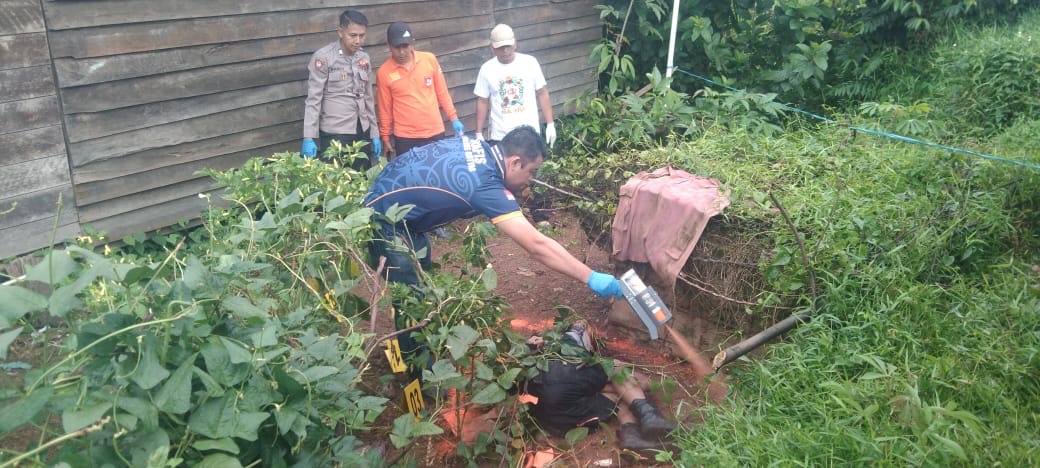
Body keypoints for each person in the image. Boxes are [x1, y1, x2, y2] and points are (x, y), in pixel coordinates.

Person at [363, 126, 625, 386]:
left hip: (401, 207)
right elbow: (536, 245)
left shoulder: (481, 146)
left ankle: (417, 346)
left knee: (419, 284)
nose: (530, 180)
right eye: (531, 172)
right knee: (411, 295)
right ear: (515, 162)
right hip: (386, 220)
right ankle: (420, 379)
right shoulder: (485, 182)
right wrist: (590, 276)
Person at [522, 320, 677, 453]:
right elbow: (642, 383)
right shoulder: (579, 363)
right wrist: (618, 371)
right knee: (618, 372)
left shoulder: (536, 359)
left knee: (613, 391)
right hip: (570, 412)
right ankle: (649, 417)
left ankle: (632, 436)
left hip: (546, 420)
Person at [473, 24, 557, 226]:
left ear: (515, 43)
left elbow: (542, 92)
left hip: (528, 134)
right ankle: (504, 216)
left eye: (509, 46)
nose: (505, 51)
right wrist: (478, 132)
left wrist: (550, 123)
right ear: (492, 47)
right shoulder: (487, 69)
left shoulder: (529, 63)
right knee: (502, 177)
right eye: (501, 47)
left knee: (533, 173)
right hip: (501, 134)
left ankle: (539, 215)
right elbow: (482, 101)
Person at [301, 9, 380, 170]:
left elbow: (368, 97)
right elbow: (314, 99)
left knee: (362, 181)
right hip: (335, 133)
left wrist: (374, 133)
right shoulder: (323, 58)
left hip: (361, 130)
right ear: (340, 32)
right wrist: (308, 136)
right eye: (353, 35)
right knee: (337, 184)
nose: (358, 40)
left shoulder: (363, 58)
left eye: (362, 35)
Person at [376, 21, 465, 159]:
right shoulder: (384, 72)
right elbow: (385, 108)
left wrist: (454, 118)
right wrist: (385, 135)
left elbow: (442, 92)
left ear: (413, 43)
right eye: (396, 47)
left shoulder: (429, 59)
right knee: (411, 179)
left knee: (436, 176)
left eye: (405, 46)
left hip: (435, 131)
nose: (401, 52)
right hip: (405, 137)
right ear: (388, 45)